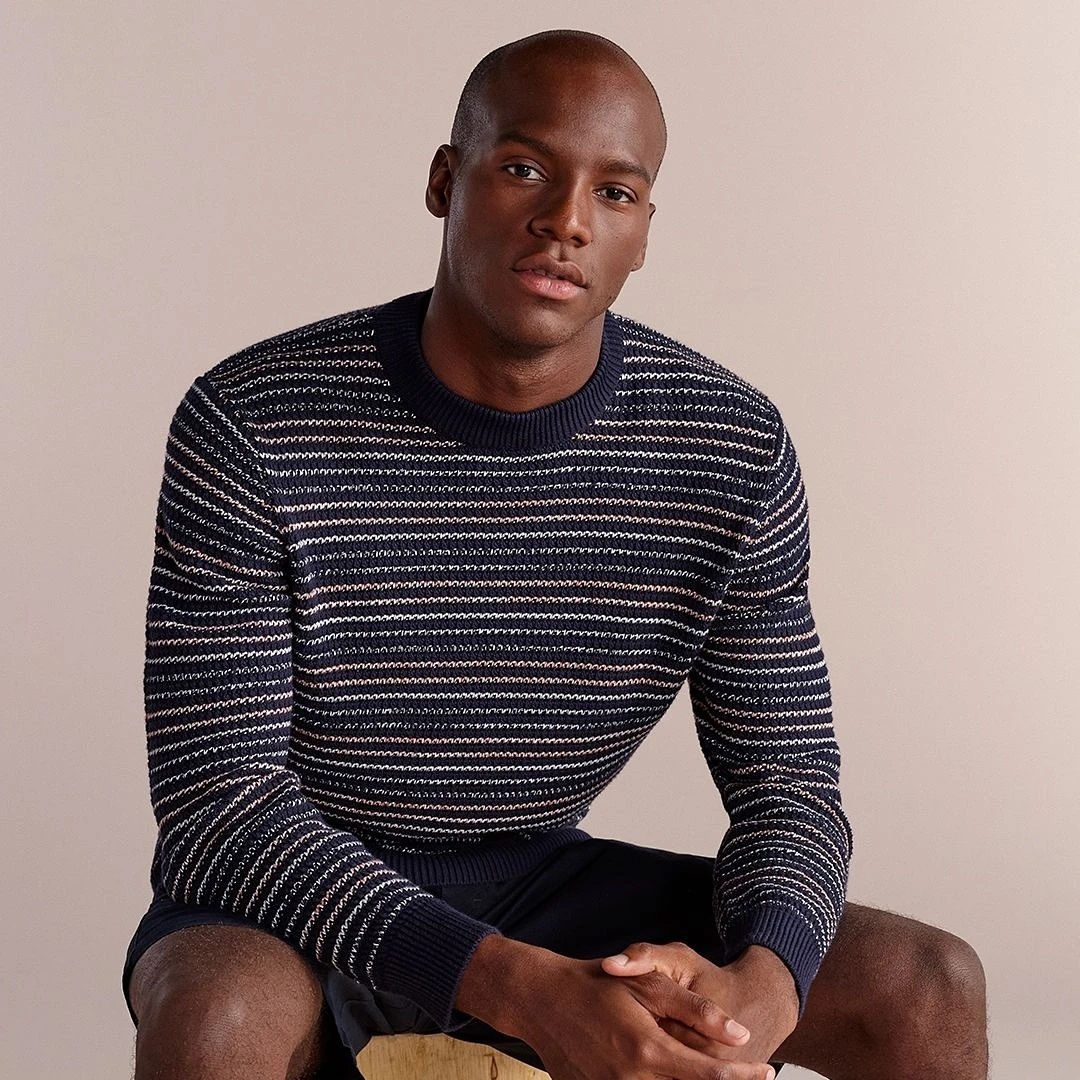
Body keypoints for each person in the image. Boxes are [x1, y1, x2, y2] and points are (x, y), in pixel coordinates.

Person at [125, 29, 988, 1080]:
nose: (567, 221)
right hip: (290, 905)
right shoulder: (252, 421)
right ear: (446, 181)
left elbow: (787, 781)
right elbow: (222, 810)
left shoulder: (728, 446)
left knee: (927, 983)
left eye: (614, 193)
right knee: (218, 1019)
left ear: (644, 232)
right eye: (525, 169)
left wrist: (761, 991)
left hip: (544, 888)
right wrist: (520, 988)